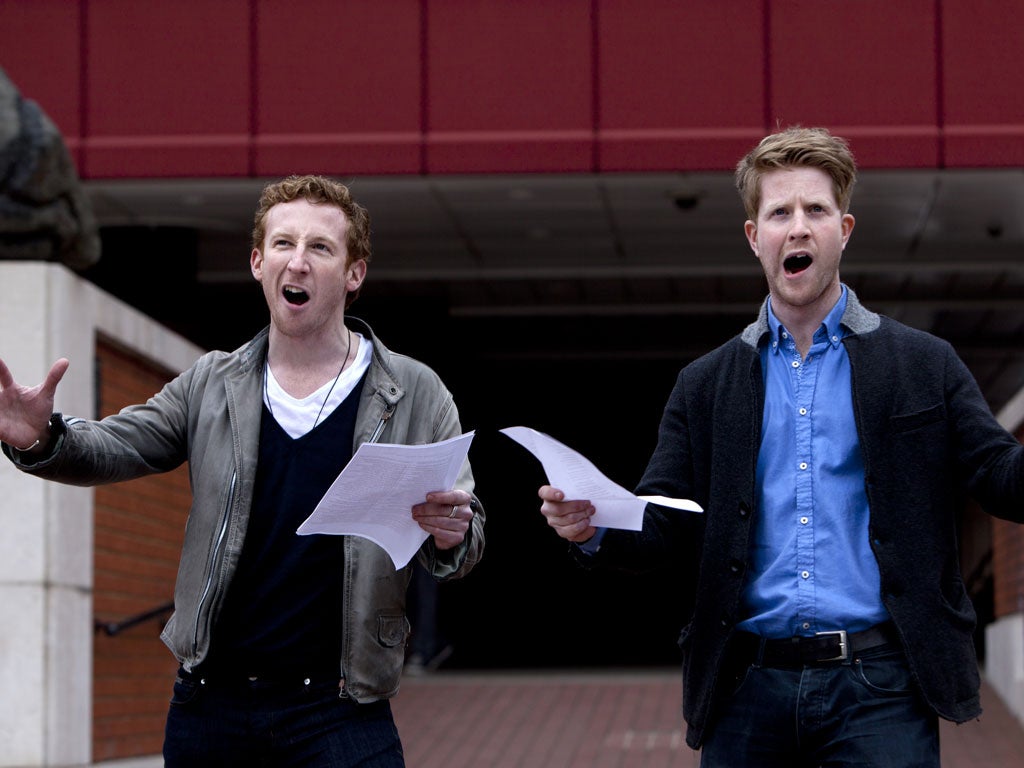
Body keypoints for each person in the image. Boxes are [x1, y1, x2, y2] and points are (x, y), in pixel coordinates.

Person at [537, 126, 1024, 767]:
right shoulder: (704, 385)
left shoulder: (923, 363)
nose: (798, 228)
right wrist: (590, 526)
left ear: (843, 230)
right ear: (754, 236)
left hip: (880, 686)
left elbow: (997, 473)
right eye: (779, 213)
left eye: (816, 210)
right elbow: (661, 522)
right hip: (745, 688)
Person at [0, 174, 485, 767]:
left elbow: (464, 524)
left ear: (354, 273)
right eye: (283, 244)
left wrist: (452, 532)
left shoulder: (414, 391)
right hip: (213, 707)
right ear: (258, 262)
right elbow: (117, 444)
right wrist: (43, 437)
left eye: (320, 248)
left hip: (341, 708)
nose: (297, 263)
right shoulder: (212, 383)